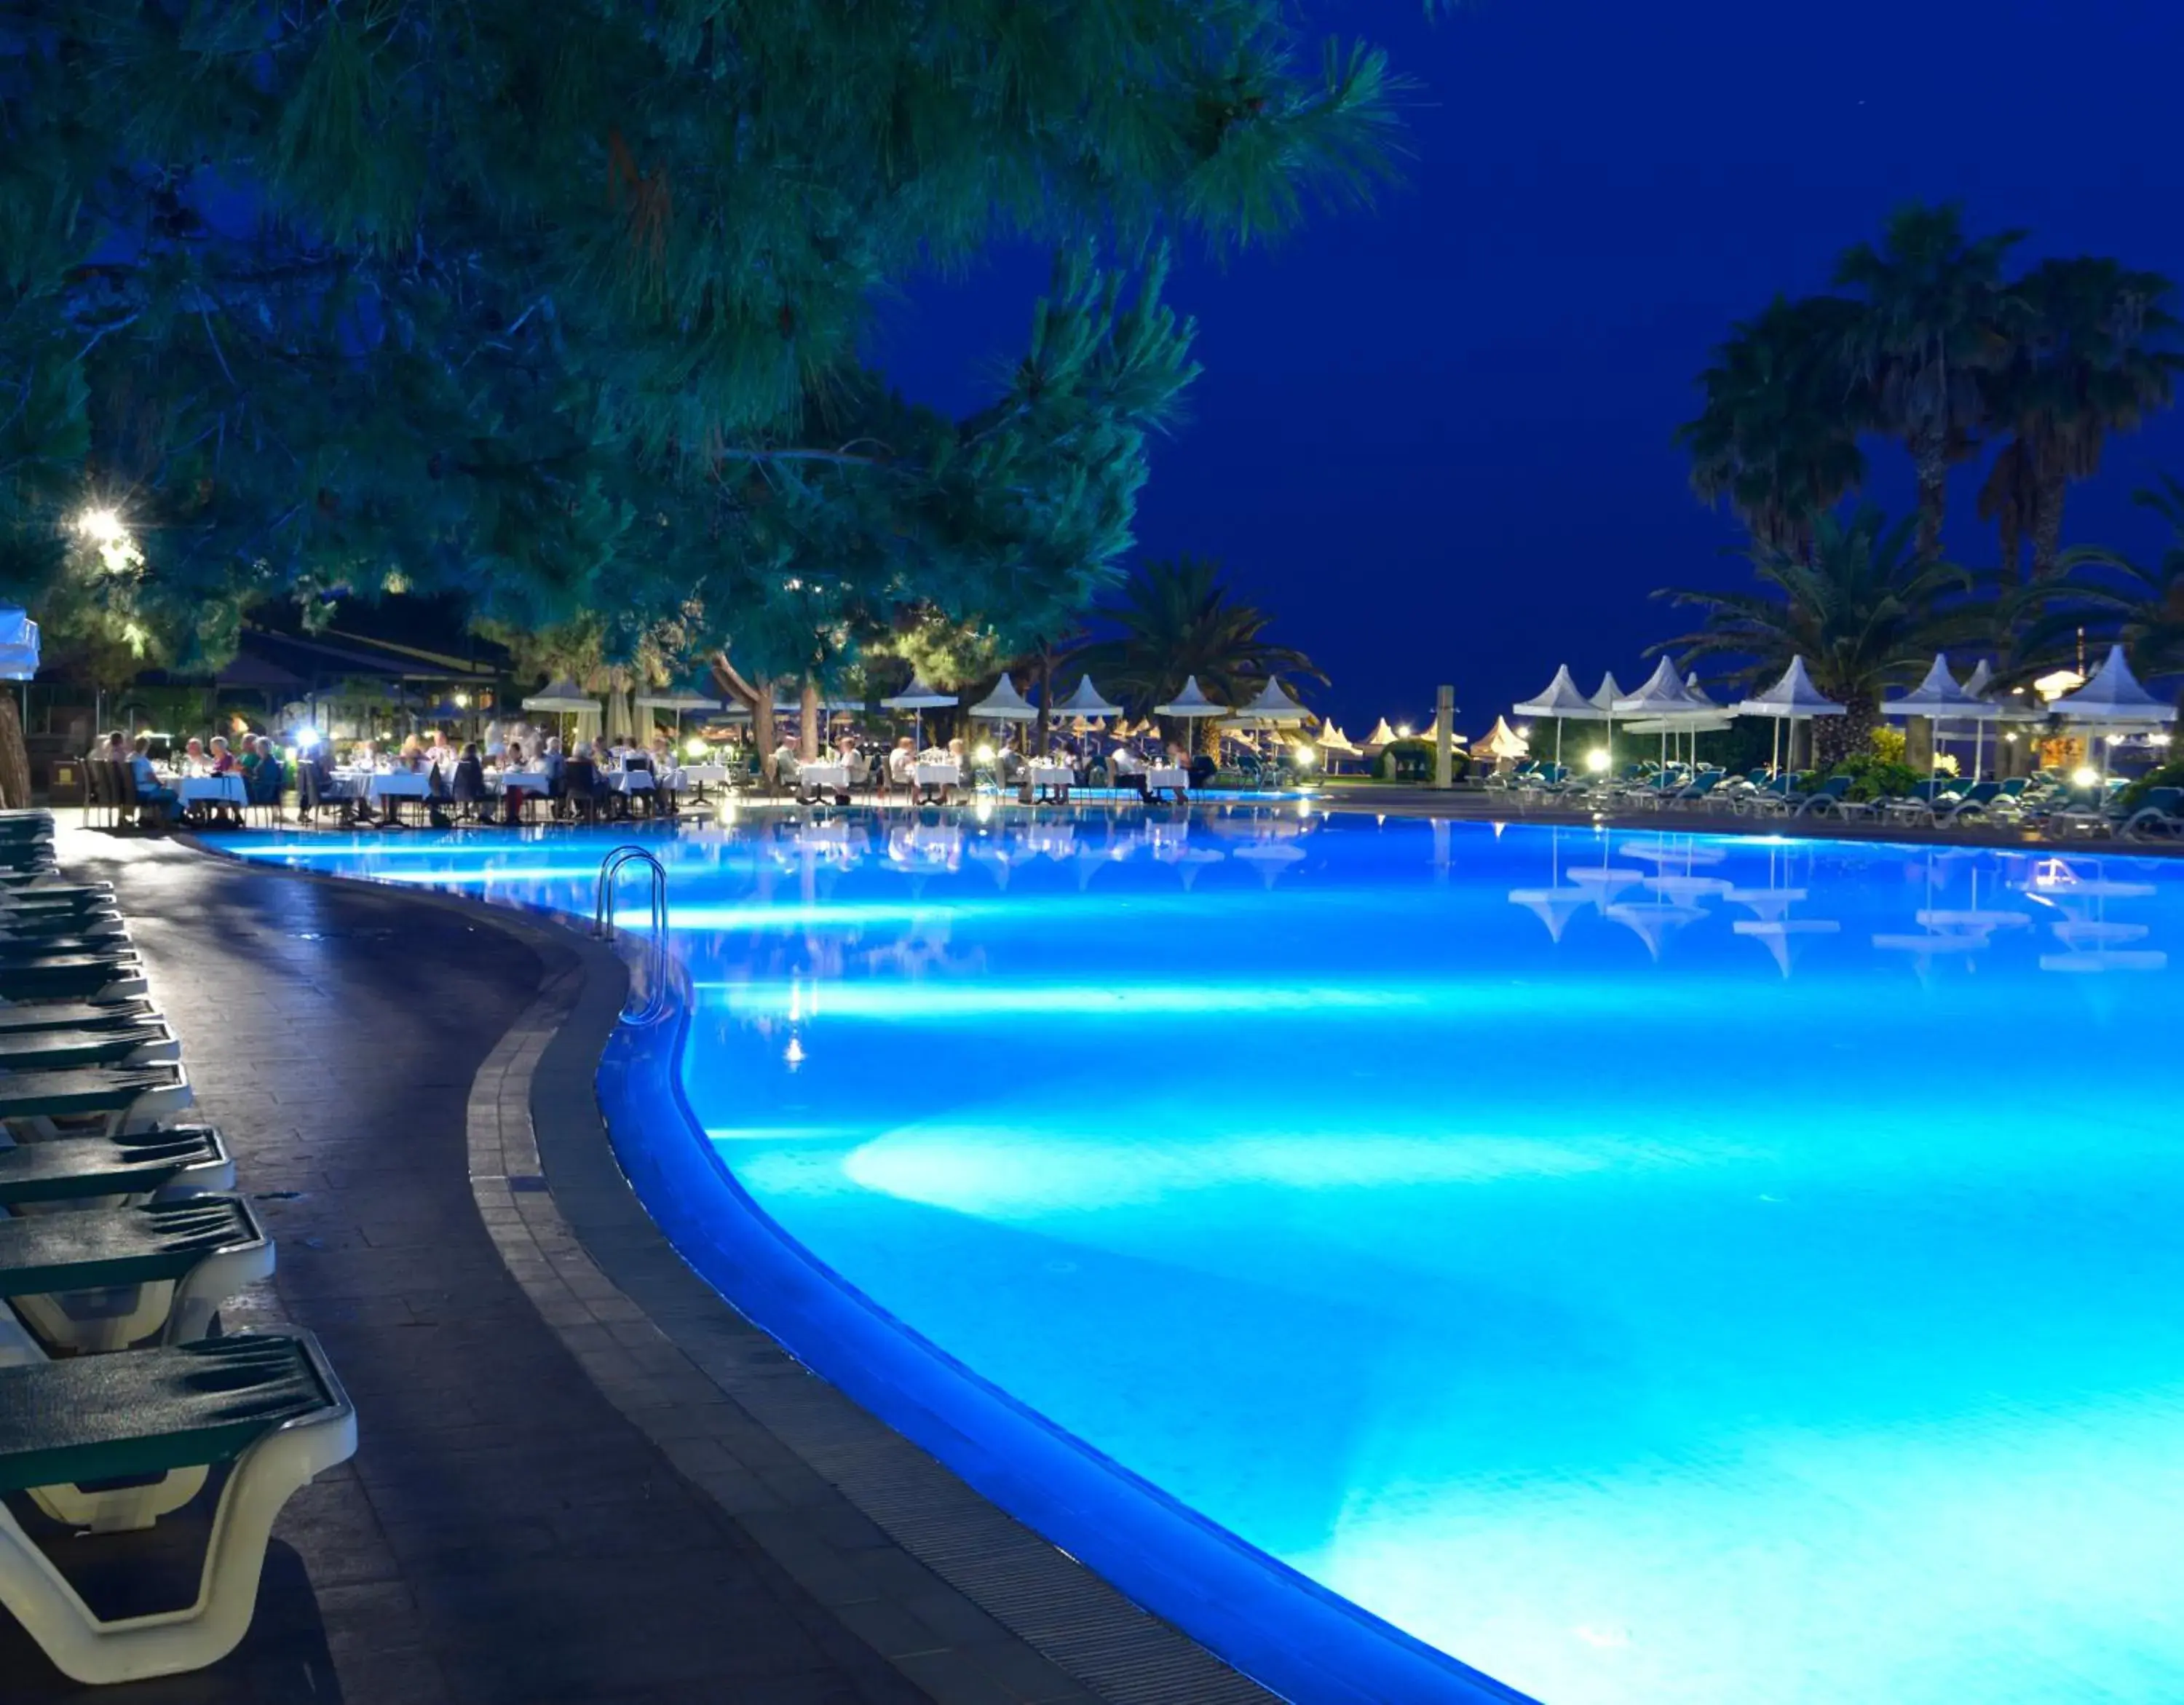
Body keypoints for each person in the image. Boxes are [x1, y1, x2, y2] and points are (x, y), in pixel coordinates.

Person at [126, 735, 176, 827]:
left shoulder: (130, 757)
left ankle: (153, 817)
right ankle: (172, 820)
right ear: (146, 747)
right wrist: (161, 783)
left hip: (135, 789)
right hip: (146, 791)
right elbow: (151, 777)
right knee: (174, 794)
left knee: (166, 791)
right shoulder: (143, 760)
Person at [451, 742, 489, 822]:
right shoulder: (475, 762)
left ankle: (469, 809)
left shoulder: (459, 762)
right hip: (473, 792)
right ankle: (484, 814)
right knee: (492, 790)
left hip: (458, 792)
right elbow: (479, 778)